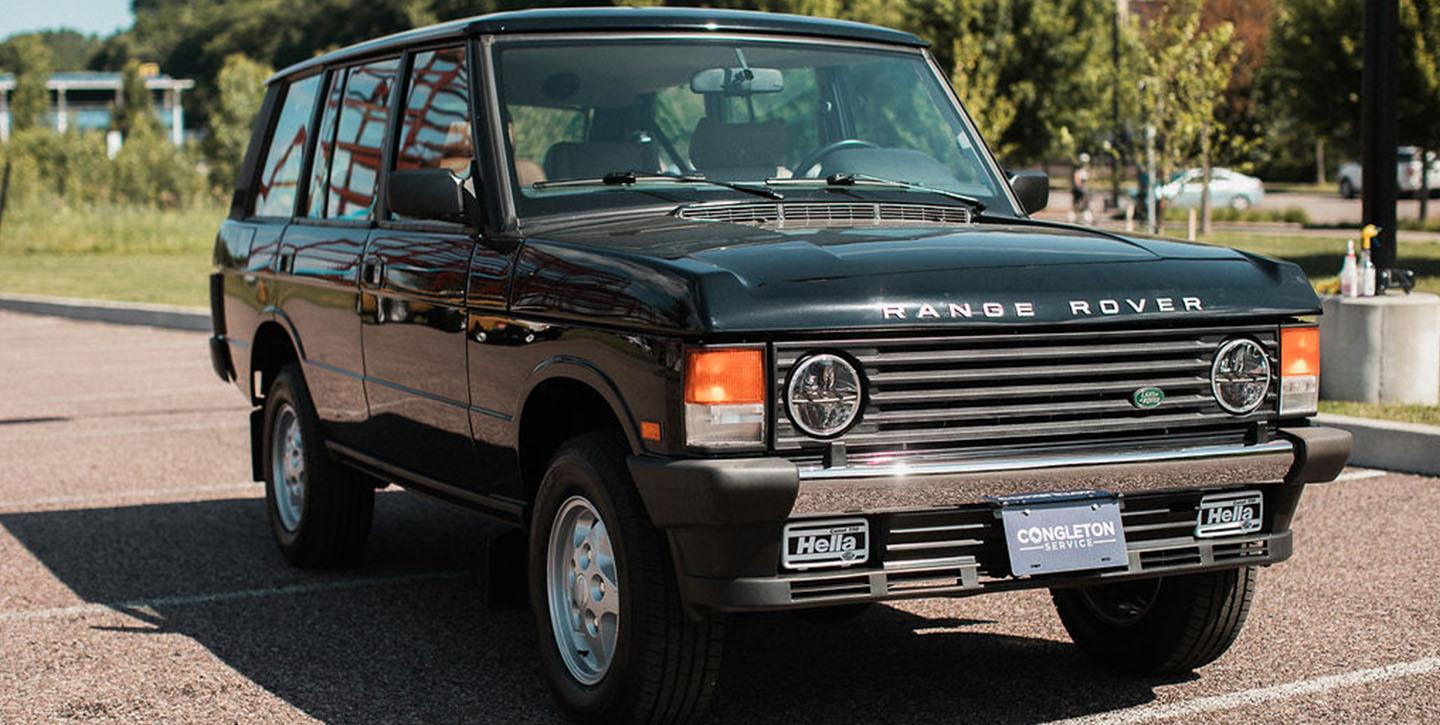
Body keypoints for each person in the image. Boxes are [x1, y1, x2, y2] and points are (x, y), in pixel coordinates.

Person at [1069, 152, 1094, 226]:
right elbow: (1077, 181)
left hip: (1081, 189)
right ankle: (1074, 215)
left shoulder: (1085, 171)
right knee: (1077, 202)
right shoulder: (1078, 171)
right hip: (1078, 189)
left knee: (1084, 201)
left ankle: (1085, 214)